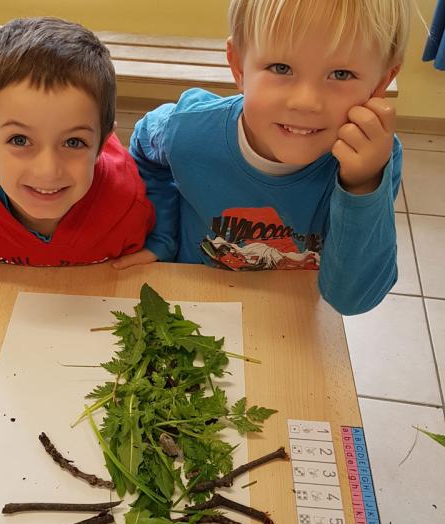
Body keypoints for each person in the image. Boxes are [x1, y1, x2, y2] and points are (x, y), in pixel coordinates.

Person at [113, 0, 410, 315]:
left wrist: (362, 185)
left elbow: (351, 299)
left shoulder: (373, 160)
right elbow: (145, 145)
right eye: (281, 68)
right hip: (191, 301)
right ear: (238, 66)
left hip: (289, 314)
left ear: (380, 83)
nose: (306, 102)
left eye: (341, 73)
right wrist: (161, 235)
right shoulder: (186, 130)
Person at [0, 17, 154, 266]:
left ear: (102, 145)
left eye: (74, 142)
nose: (48, 171)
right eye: (19, 140)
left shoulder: (130, 210)